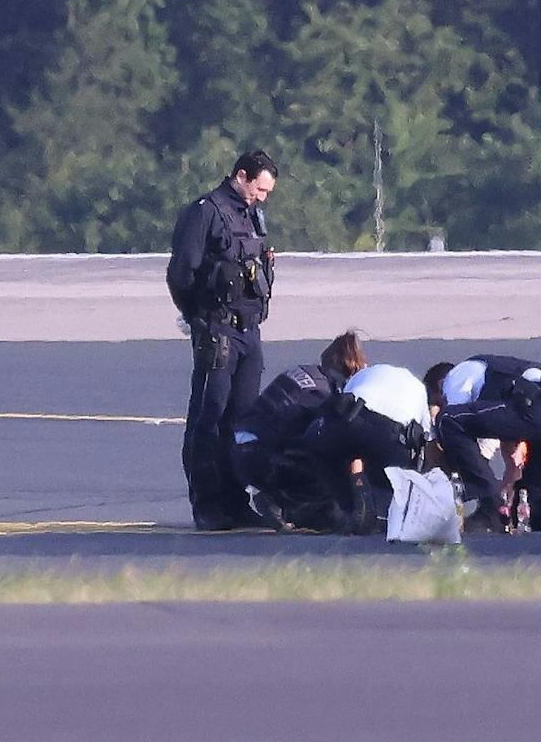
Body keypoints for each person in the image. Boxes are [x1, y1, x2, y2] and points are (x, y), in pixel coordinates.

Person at [167, 150, 280, 530]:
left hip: (249, 332)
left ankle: (235, 500)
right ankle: (207, 504)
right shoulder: (205, 212)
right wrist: (199, 321)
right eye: (260, 189)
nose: (263, 197)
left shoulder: (250, 214)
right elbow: (181, 274)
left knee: (243, 420)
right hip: (218, 331)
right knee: (209, 419)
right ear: (242, 176)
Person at [428, 355, 541, 531]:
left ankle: (490, 508)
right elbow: (506, 448)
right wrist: (507, 483)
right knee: (532, 505)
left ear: (440, 385)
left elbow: (461, 434)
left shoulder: (455, 377)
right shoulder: (498, 380)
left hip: (539, 409)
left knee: (447, 419)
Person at [229, 331, 367, 530]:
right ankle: (284, 503)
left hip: (242, 449)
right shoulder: (324, 392)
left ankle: (279, 498)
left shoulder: (306, 372)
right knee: (332, 455)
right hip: (264, 458)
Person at [290, 362, 432, 534]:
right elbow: (425, 444)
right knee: (396, 472)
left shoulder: (363, 375)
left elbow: (343, 410)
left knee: (322, 449)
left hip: (347, 419)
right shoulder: (419, 390)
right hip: (391, 436)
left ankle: (347, 509)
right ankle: (390, 514)